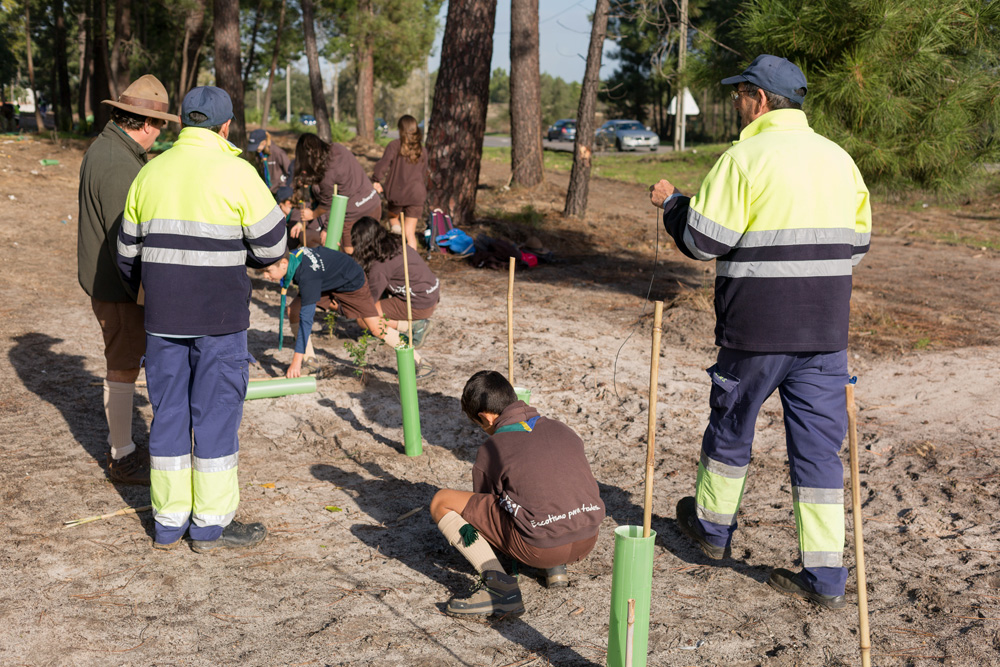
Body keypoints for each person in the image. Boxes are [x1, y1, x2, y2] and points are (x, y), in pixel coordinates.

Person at [648, 54, 872, 610]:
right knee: (820, 456)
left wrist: (674, 204)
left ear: (761, 99)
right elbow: (858, 246)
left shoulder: (743, 157)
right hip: (825, 333)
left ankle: (711, 531)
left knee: (730, 429)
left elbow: (704, 242)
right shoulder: (840, 160)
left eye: (741, 93)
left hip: (756, 332)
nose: (736, 103)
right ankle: (825, 579)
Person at [117, 86, 287, 552]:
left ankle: (168, 524)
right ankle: (210, 526)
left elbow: (127, 255)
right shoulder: (239, 173)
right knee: (214, 416)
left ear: (181, 125)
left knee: (167, 414)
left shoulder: (150, 172)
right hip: (220, 321)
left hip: (163, 319)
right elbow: (273, 247)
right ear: (226, 127)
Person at [429, 371, 606, 616]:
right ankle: (556, 569)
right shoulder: (563, 429)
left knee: (441, 501)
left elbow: (483, 509)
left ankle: (499, 587)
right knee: (550, 493)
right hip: (587, 539)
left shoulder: (493, 447)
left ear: (486, 417)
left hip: (540, 548)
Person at [78, 74, 178, 485]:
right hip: (119, 288)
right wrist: (147, 293)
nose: (159, 135)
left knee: (123, 363)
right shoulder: (120, 163)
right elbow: (128, 240)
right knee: (122, 368)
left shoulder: (109, 149)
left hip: (109, 283)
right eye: (161, 126)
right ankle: (122, 456)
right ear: (147, 124)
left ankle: (124, 450)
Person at [257, 246, 432, 379]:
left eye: (268, 271)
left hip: (352, 283)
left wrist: (294, 362)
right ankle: (310, 362)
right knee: (293, 309)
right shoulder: (294, 258)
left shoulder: (307, 275)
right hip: (329, 280)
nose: (265, 276)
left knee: (376, 327)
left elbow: (307, 320)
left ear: (284, 264)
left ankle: (421, 362)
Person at [351, 216, 440, 348]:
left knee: (364, 317)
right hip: (431, 293)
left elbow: (368, 300)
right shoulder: (394, 243)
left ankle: (415, 326)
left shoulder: (379, 266)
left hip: (419, 303)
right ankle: (384, 328)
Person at [293, 133, 381, 254]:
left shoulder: (326, 176)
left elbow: (327, 205)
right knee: (372, 248)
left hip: (353, 215)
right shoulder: (337, 147)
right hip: (373, 203)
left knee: (352, 254)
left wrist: (314, 215)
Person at [371, 115, 428, 249]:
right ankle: (412, 263)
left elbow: (383, 165)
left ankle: (397, 238)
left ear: (401, 129)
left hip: (398, 193)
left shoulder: (394, 145)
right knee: (410, 234)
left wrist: (376, 180)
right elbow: (424, 173)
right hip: (417, 194)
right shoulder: (422, 150)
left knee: (392, 217)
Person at [246, 128, 291, 194]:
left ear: (264, 142)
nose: (255, 149)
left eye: (256, 146)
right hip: (267, 191)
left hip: (279, 191)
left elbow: (290, 172)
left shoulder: (278, 153)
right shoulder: (259, 154)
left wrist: (283, 187)